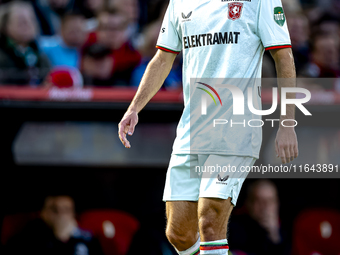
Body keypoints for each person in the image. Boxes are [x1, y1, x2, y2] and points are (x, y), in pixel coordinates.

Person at [118, 0, 298, 255]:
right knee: (178, 232)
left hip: (236, 127)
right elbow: (162, 58)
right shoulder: (179, 3)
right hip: (192, 129)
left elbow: (284, 55)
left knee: (209, 218)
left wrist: (287, 123)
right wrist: (134, 107)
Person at [5, 195, 103, 255]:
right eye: (55, 210)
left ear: (74, 214)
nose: (61, 215)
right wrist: (59, 238)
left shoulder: (89, 239)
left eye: (67, 210)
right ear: (44, 213)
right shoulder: (27, 239)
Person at [228, 180, 289, 255]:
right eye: (259, 200)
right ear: (248, 203)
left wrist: (274, 234)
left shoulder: (287, 229)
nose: (265, 206)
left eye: (270, 200)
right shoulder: (232, 228)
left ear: (277, 204)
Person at [0, 1, 51, 85]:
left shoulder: (41, 56)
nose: (27, 24)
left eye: (31, 19)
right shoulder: (2, 56)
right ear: (5, 25)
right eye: (21, 20)